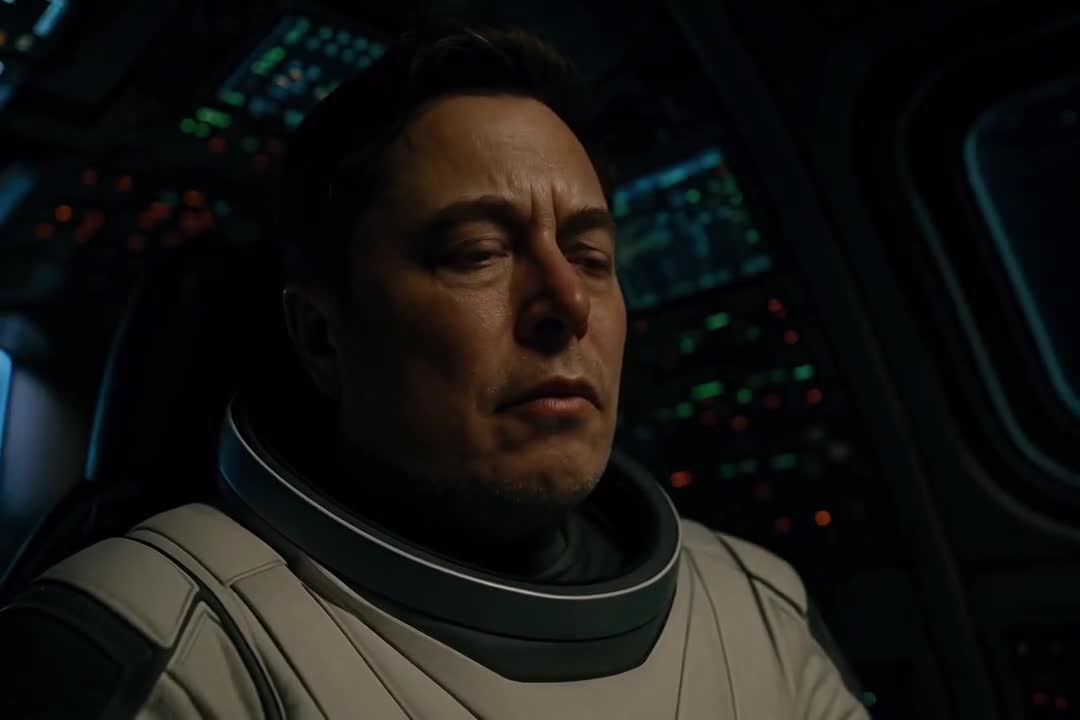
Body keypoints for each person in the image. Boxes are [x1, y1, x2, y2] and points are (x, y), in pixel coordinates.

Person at [0, 24, 870, 719]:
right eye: (477, 252)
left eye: (591, 256)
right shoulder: (150, 641)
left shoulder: (759, 603)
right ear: (323, 337)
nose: (567, 302)